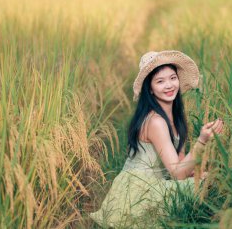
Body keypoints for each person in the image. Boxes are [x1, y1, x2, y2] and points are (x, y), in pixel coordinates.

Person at [89, 50, 224, 228]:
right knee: (204, 185)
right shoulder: (156, 122)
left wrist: (198, 174)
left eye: (172, 78)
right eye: (160, 81)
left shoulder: (177, 117)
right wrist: (202, 141)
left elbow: (181, 163)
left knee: (210, 179)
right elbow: (177, 173)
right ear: (150, 89)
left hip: (158, 182)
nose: (169, 85)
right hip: (137, 191)